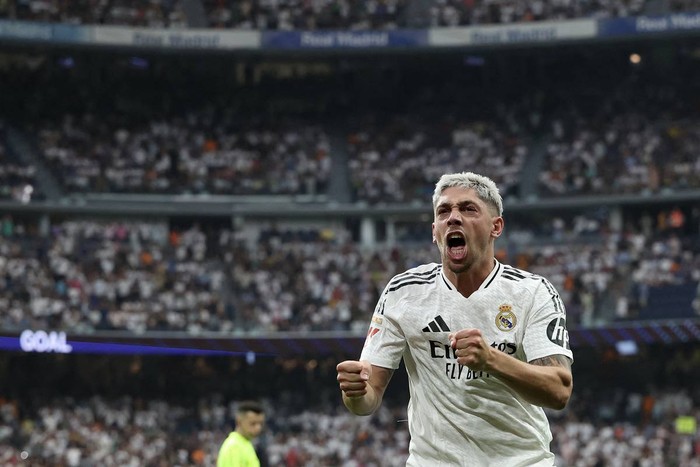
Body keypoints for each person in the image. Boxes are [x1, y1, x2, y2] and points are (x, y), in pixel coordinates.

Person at [337, 171, 574, 466]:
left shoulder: (533, 293)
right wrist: (355, 392)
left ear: (495, 227)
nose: (453, 217)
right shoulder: (404, 292)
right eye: (444, 211)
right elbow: (368, 397)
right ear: (435, 230)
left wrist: (491, 359)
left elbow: (559, 390)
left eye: (468, 208)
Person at [217, 400, 265, 467]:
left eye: (260, 423)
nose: (258, 428)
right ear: (239, 421)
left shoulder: (246, 444)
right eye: (253, 423)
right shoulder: (234, 447)